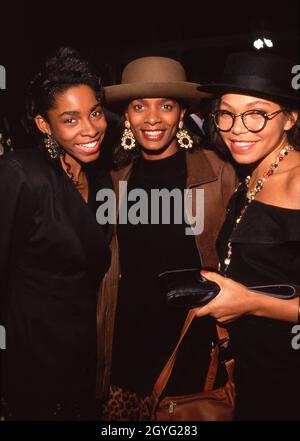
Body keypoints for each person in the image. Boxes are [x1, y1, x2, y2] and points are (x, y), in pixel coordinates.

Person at [98, 56, 237, 420]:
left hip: (191, 346)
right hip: (127, 345)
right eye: (140, 106)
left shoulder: (219, 172)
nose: (153, 118)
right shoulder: (114, 180)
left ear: (181, 113)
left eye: (166, 105)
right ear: (127, 116)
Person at [0, 47, 111, 420]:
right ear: (44, 125)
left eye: (94, 113)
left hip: (82, 351)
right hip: (30, 356)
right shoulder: (20, 174)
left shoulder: (100, 177)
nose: (90, 128)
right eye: (70, 119)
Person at [196, 51, 300, 420]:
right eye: (226, 113)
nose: (237, 128)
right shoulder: (253, 173)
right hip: (253, 369)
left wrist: (248, 302)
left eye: (256, 113)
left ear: (290, 117)